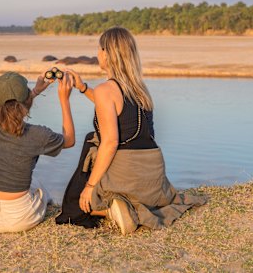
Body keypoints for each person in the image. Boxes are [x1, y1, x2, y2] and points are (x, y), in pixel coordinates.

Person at [55, 27, 206, 234]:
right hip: (152, 176)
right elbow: (115, 109)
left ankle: (117, 210)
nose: (97, 54)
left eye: (99, 49)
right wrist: (82, 88)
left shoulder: (106, 90)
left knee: (74, 205)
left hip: (128, 171)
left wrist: (90, 187)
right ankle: (132, 204)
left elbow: (110, 142)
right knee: (97, 139)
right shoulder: (140, 89)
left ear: (107, 54)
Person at [0, 70, 76, 233]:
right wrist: (64, 100)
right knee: (39, 187)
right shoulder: (37, 135)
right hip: (19, 219)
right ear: (25, 100)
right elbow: (69, 140)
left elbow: (10, 109)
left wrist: (35, 92)